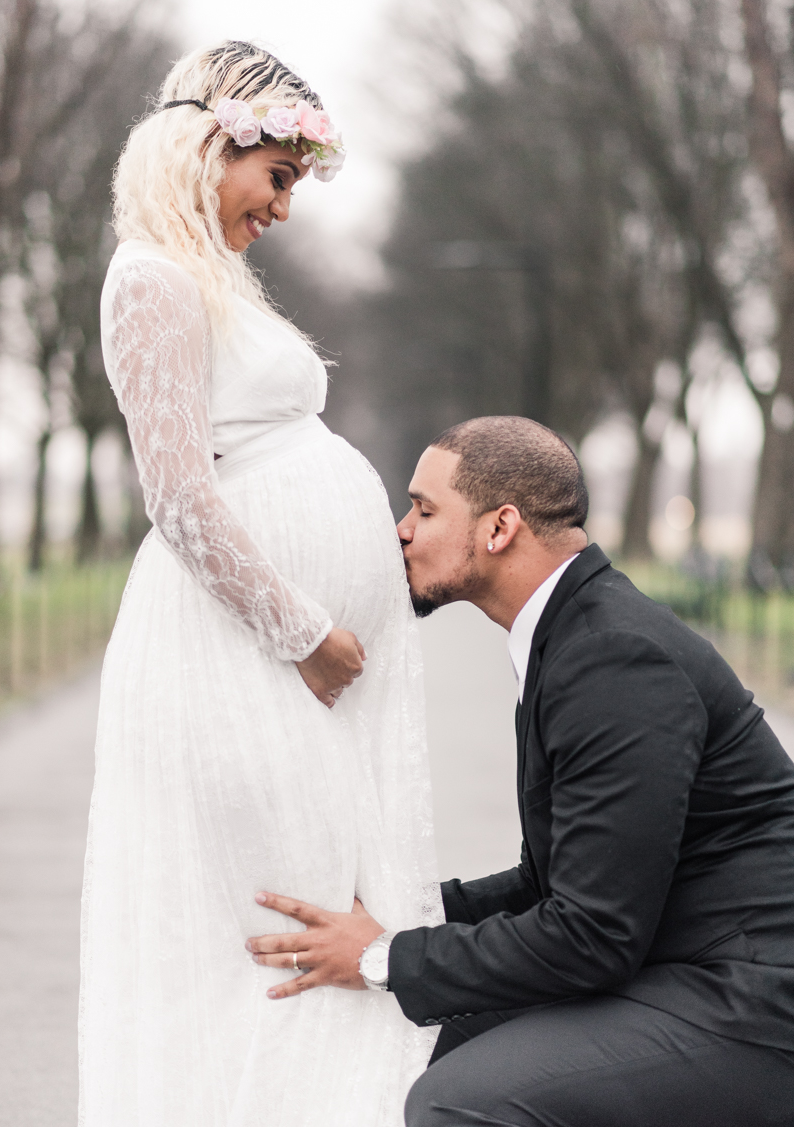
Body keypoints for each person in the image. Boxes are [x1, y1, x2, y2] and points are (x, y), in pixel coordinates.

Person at [79, 41, 442, 1127]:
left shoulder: (202, 281)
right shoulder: (147, 278)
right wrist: (304, 632)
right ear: (211, 144)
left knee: (319, 913)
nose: (282, 206)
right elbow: (179, 496)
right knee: (280, 917)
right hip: (237, 657)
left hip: (282, 661)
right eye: (277, 176)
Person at [247, 415, 794, 1127]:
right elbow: (552, 886)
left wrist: (385, 955)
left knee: (455, 1100)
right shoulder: (572, 634)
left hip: (750, 1000)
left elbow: (593, 933)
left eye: (424, 507)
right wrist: (404, 912)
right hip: (671, 963)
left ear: (499, 527)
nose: (402, 529)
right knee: (428, 1046)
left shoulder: (615, 658)